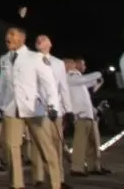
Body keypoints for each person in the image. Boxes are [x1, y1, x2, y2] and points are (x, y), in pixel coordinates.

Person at [0, 26, 62, 189]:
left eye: (12, 34)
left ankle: (55, 184)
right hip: (11, 108)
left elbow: (49, 82)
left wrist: (52, 105)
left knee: (45, 148)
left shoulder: (35, 57)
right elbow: (2, 85)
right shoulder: (4, 59)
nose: (7, 38)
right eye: (7, 35)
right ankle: (16, 184)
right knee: (11, 147)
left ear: (22, 38)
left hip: (33, 108)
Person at [33, 35, 71, 187]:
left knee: (56, 144)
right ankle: (39, 177)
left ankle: (59, 179)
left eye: (43, 38)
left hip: (56, 111)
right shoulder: (31, 61)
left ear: (50, 43)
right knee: (41, 145)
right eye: (37, 39)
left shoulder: (58, 63)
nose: (39, 40)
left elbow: (63, 87)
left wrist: (68, 109)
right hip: (38, 110)